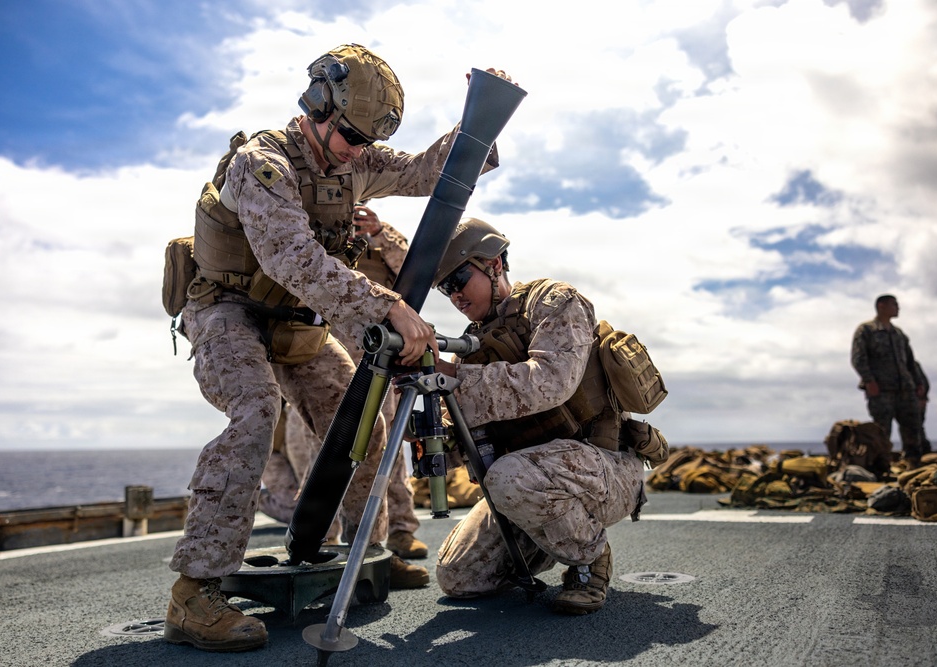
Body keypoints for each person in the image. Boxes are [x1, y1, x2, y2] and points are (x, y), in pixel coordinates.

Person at [165, 44, 504, 652]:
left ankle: (363, 553)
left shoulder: (356, 161)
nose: (357, 149)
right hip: (228, 310)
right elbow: (291, 258)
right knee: (253, 413)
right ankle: (194, 593)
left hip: (297, 322)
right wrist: (388, 303)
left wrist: (479, 122)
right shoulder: (261, 163)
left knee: (361, 425)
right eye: (349, 134)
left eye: (366, 139)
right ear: (316, 104)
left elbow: (429, 170)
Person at [427, 218, 662, 615]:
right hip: (529, 481)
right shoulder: (469, 348)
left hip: (601, 467)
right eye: (444, 289)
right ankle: (550, 536)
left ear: (494, 265)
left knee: (508, 477)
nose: (455, 297)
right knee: (460, 578)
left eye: (459, 280)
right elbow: (457, 440)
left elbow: (551, 383)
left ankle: (590, 558)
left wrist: (453, 377)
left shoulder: (553, 301)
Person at [258, 204, 430, 588]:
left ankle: (394, 534)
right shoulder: (307, 231)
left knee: (382, 449)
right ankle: (323, 541)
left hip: (378, 350)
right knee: (318, 450)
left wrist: (379, 233)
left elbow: (415, 273)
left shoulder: (380, 237)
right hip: (325, 346)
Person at [851, 294, 927, 468]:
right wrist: (869, 381)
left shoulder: (899, 334)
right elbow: (858, 358)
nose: (898, 307)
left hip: (905, 389)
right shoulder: (866, 330)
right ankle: (881, 466)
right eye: (894, 304)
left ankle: (913, 464)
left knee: (912, 427)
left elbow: (910, 361)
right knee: (882, 431)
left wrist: (919, 383)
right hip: (881, 390)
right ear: (881, 306)